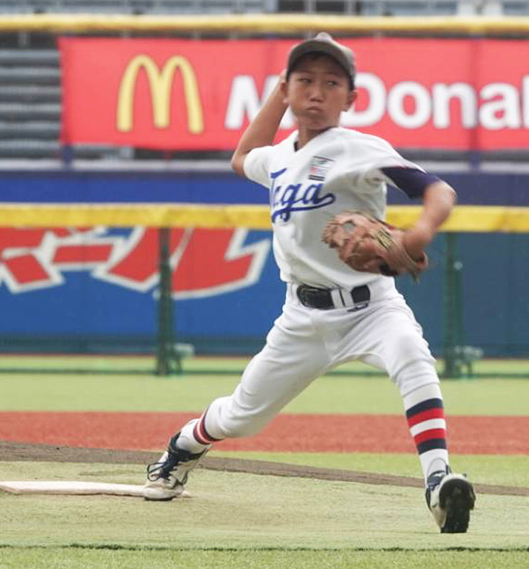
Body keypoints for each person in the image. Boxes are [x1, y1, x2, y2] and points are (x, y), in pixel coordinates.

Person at [144, 33, 476, 533]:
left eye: (331, 83)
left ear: (352, 98)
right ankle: (184, 446)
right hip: (303, 317)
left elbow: (437, 190)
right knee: (240, 417)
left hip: (371, 307)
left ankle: (438, 482)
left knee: (413, 356)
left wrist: (418, 233)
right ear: (287, 90)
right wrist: (278, 97)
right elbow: (243, 157)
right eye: (304, 82)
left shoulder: (359, 148)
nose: (317, 93)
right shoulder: (278, 159)